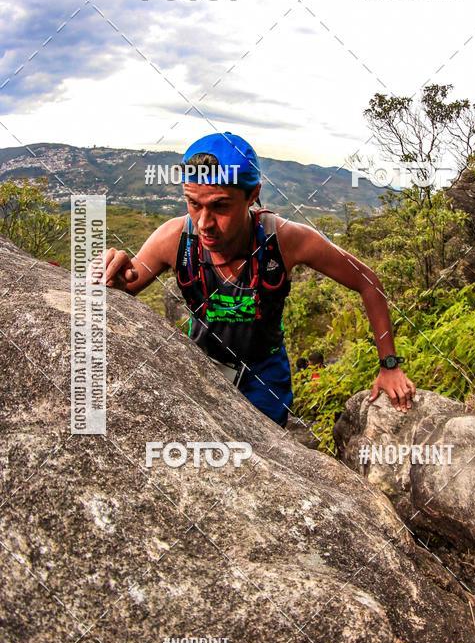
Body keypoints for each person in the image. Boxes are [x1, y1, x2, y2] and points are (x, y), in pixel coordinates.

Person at [96, 131, 416, 428]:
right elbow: (122, 288)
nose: (204, 222)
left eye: (220, 206)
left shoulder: (284, 240)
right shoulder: (175, 239)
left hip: (265, 377)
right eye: (193, 204)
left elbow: (367, 281)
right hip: (202, 368)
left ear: (253, 195)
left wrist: (389, 366)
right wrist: (112, 275)